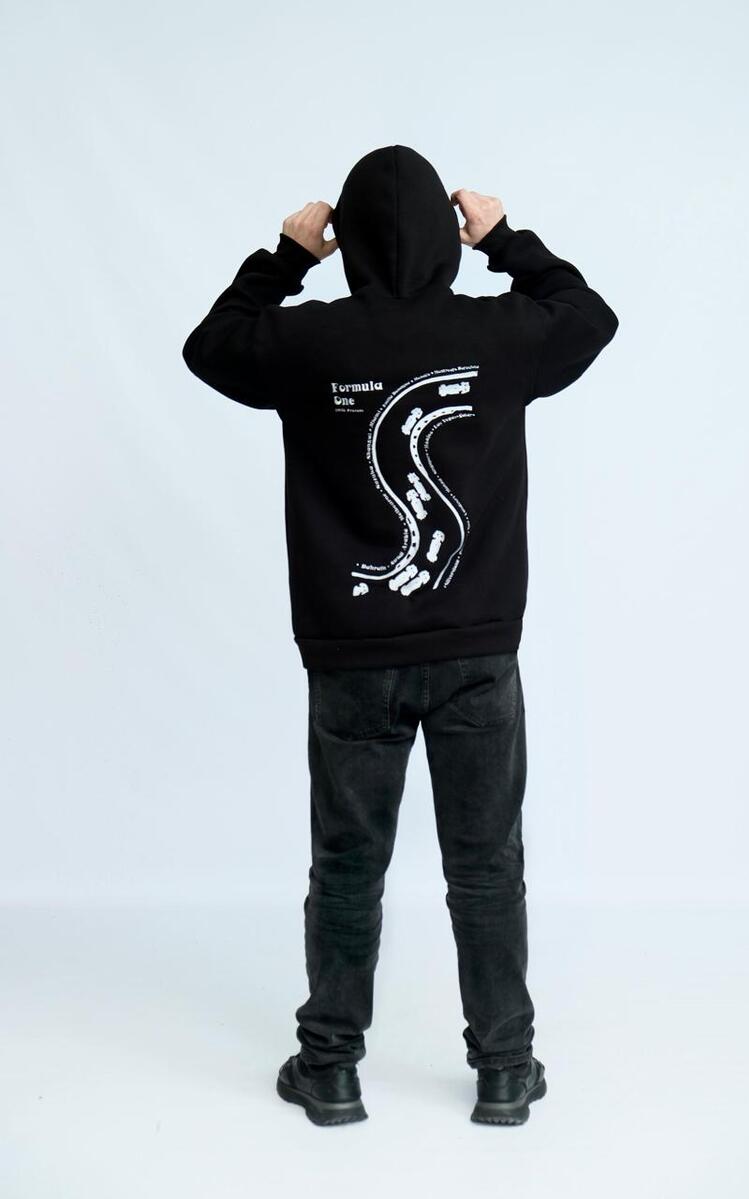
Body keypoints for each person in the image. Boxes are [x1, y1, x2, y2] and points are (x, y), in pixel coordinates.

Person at [182, 144, 619, 1127]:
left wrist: (287, 258)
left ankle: (328, 1067)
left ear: (353, 244)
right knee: (486, 864)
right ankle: (504, 1069)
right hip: (477, 653)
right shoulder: (500, 332)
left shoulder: (308, 342)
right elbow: (588, 315)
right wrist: (504, 238)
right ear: (440, 238)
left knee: (346, 865)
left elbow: (212, 345)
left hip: (351, 656)